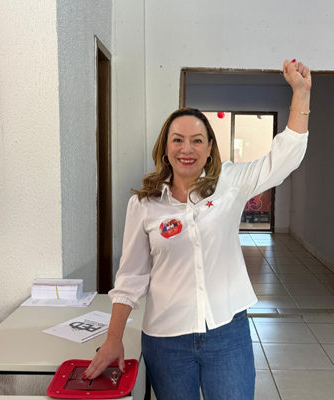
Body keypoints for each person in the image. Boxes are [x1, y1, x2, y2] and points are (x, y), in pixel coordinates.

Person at [85, 59, 311, 400]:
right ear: (165, 149)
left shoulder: (230, 182)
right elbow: (130, 277)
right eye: (177, 140)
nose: (186, 148)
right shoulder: (144, 205)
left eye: (196, 140)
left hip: (227, 333)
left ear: (209, 150)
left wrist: (301, 93)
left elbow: (284, 159)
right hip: (166, 339)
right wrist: (113, 337)